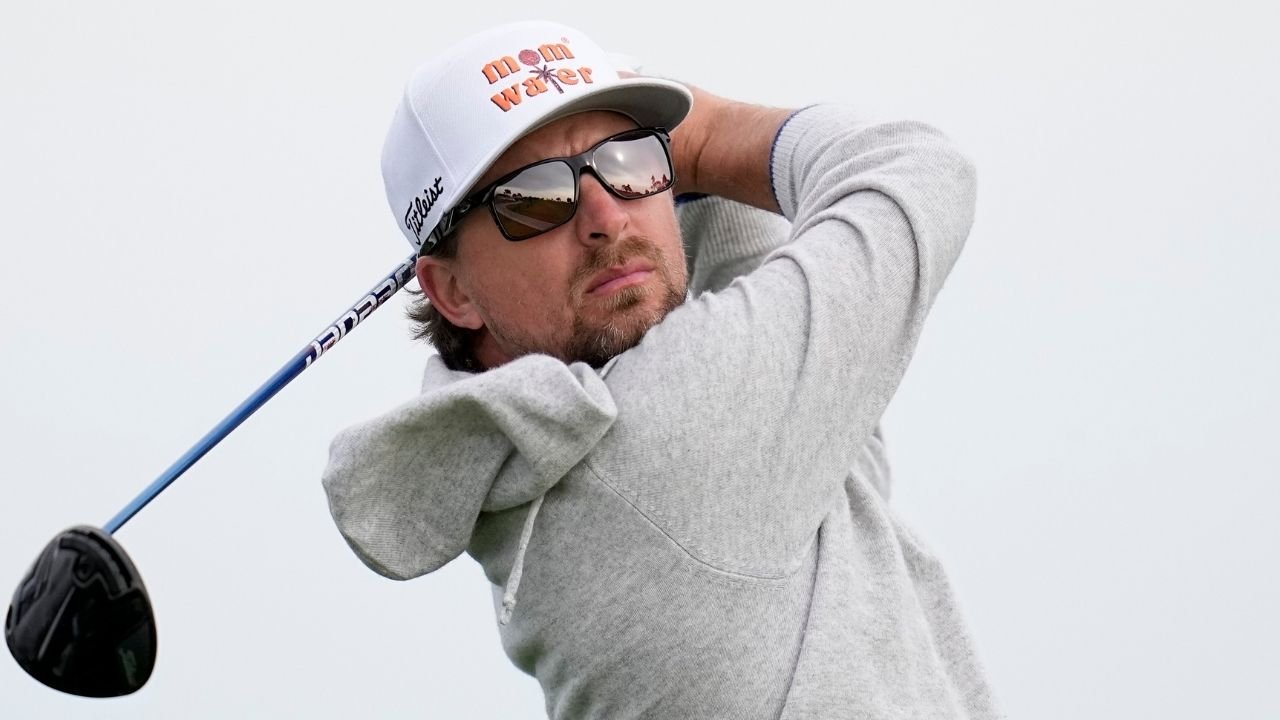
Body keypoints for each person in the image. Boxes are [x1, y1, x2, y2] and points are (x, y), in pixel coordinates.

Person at [322, 19, 1002, 720]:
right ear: (453, 292)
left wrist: (676, 175)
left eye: (630, 162)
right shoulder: (673, 434)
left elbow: (745, 272)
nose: (606, 216)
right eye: (534, 198)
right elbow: (915, 168)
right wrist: (703, 136)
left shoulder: (546, 462)